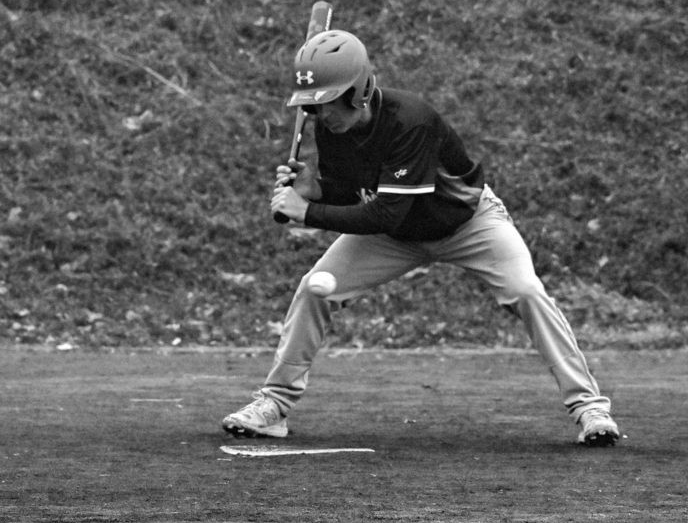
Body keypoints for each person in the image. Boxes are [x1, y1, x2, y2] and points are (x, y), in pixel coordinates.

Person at [221, 29, 624, 447]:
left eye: (326, 104)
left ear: (358, 92)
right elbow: (356, 191)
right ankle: (273, 404)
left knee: (526, 291)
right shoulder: (331, 126)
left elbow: (385, 210)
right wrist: (316, 190)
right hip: (395, 234)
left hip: (467, 225)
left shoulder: (411, 120)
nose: (320, 115)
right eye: (313, 106)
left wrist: (306, 213)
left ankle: (589, 407)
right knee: (314, 290)